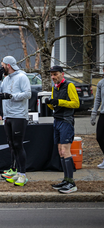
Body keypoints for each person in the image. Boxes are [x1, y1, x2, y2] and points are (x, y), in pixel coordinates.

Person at [0, 56, 31, 186]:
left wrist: (11, 96)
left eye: (2, 65)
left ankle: (23, 174)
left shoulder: (22, 77)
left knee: (18, 144)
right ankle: (16, 171)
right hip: (8, 115)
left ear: (8, 65)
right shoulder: (6, 79)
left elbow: (28, 94)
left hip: (19, 115)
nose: (1, 67)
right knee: (11, 144)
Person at [46, 65, 80, 193]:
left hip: (66, 121)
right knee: (60, 151)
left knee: (66, 151)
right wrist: (50, 103)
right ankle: (66, 180)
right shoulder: (55, 87)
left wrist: (59, 102)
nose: (53, 77)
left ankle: (71, 183)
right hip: (57, 120)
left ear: (62, 74)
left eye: (55, 74)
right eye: (51, 75)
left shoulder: (69, 85)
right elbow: (55, 106)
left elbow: (75, 103)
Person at [91, 68, 104, 169]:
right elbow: (98, 99)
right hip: (103, 114)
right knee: (99, 137)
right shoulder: (101, 83)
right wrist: (94, 113)